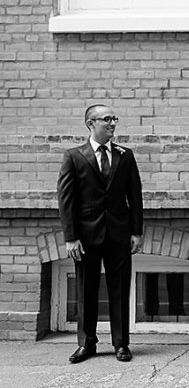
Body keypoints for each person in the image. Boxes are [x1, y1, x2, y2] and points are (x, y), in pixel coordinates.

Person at [57, 104, 143, 363]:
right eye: (107, 119)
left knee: (119, 289)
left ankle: (121, 344)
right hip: (86, 237)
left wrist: (136, 232)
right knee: (86, 290)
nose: (113, 123)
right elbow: (66, 200)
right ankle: (87, 344)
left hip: (119, 234)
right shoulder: (74, 156)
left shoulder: (125, 155)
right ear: (90, 123)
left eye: (114, 118)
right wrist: (70, 237)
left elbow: (135, 196)